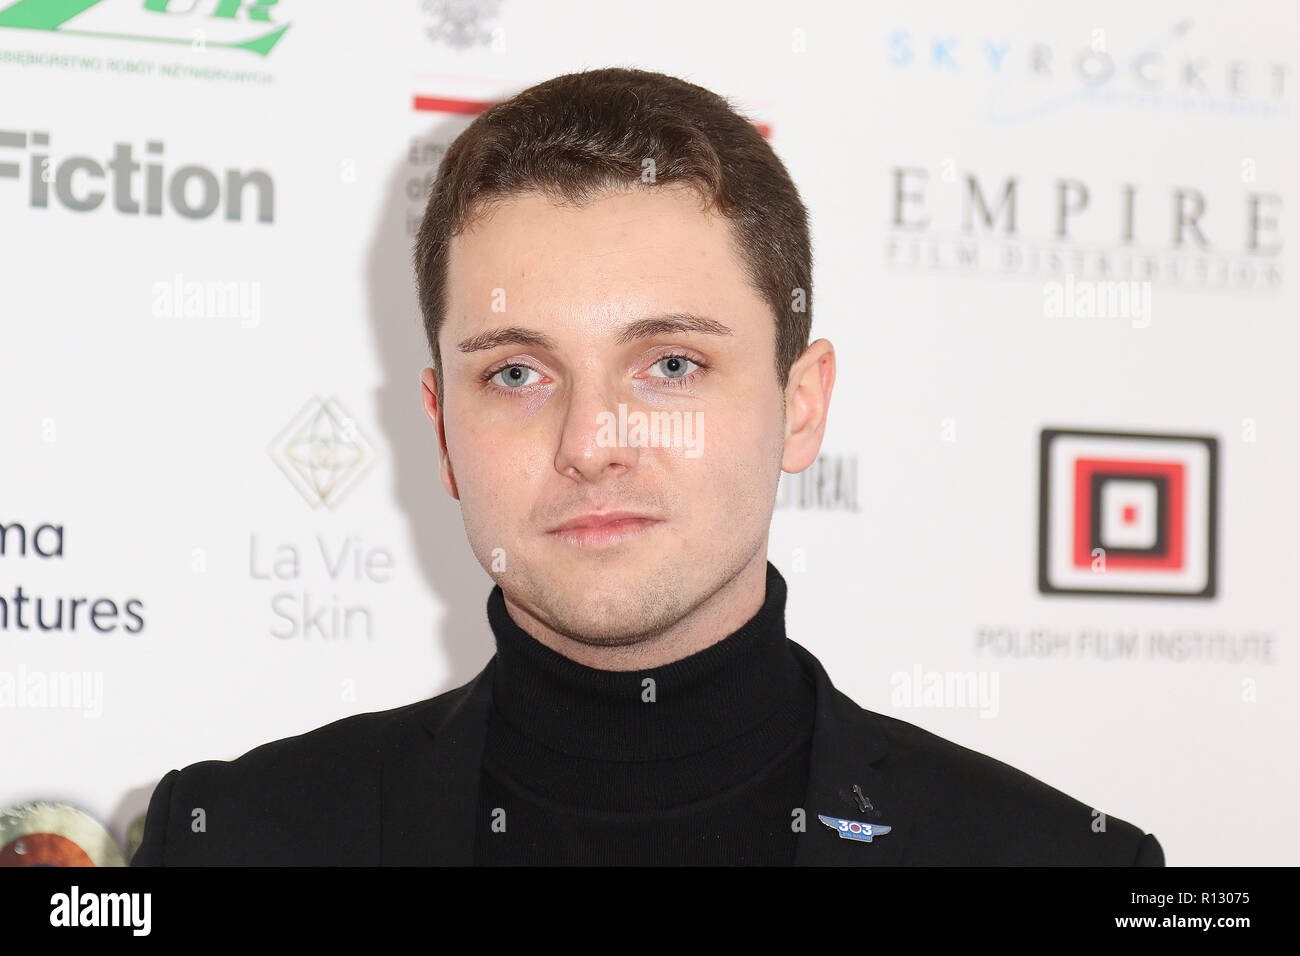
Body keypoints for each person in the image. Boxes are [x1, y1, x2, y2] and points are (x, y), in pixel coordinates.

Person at [132, 67, 1163, 866]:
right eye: (519, 372)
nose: (591, 441)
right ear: (442, 427)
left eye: (670, 363)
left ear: (799, 407)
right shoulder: (231, 840)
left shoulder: (1066, 863)